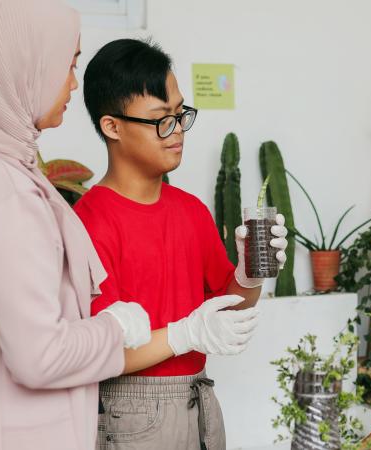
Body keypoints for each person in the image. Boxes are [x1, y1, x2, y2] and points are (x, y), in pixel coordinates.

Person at [0, 1, 155, 449]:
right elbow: (39, 357)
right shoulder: (4, 192)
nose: (73, 84)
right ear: (25, 66)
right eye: (68, 64)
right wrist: (116, 327)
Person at [76, 39, 288, 450]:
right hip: (130, 413)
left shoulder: (190, 211)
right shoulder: (89, 221)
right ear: (112, 126)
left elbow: (229, 312)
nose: (176, 133)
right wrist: (185, 334)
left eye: (180, 114)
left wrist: (250, 272)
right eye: (161, 120)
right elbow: (101, 354)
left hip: (200, 402)